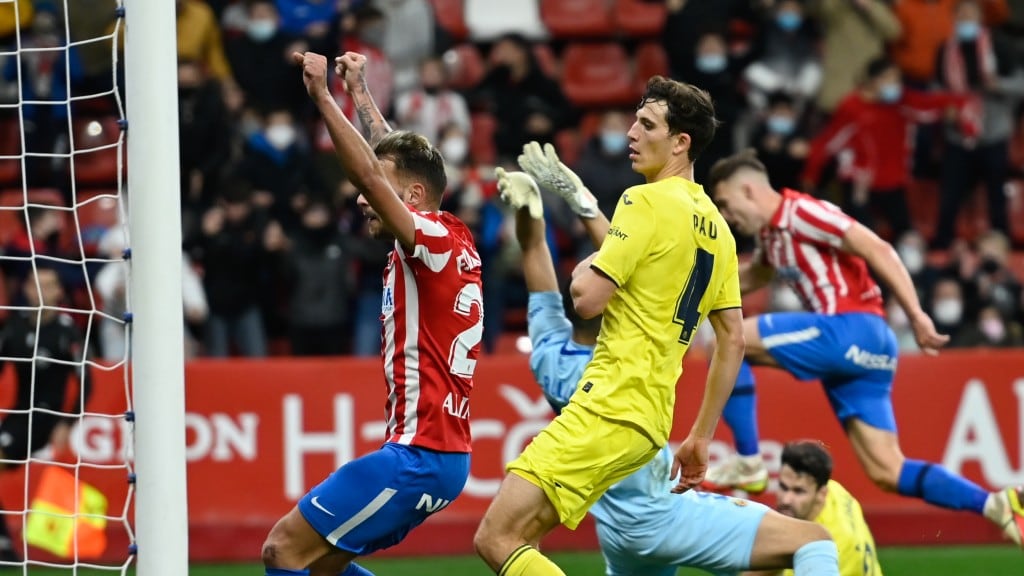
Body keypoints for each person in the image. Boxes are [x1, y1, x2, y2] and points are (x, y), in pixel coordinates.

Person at [495, 164, 839, 576]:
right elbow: (644, 270)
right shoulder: (639, 350)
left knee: (506, 540)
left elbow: (538, 263)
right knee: (812, 540)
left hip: (617, 531)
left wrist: (530, 211)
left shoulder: (549, 357)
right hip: (661, 513)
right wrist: (583, 203)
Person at [474, 76, 752, 576]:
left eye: (646, 124)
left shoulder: (642, 201)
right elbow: (732, 339)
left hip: (607, 404)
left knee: (497, 537)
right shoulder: (718, 230)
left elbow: (585, 300)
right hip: (651, 423)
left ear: (680, 142)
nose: (630, 133)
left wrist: (584, 268)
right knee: (524, 538)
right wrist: (702, 436)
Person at [703, 150, 1024, 548]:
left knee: (730, 340)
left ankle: (749, 459)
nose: (727, 215)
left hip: (851, 329)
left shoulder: (801, 212)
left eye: (725, 204)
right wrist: (699, 291)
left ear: (748, 190)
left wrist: (917, 313)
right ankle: (996, 504)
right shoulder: (772, 235)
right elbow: (755, 275)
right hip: (870, 350)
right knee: (887, 470)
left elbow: (877, 248)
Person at [261, 50, 483, 576]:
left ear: (411, 196)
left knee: (283, 551)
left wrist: (322, 97)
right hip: (434, 457)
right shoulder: (446, 234)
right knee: (320, 566)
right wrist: (359, 91)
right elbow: (391, 161)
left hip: (419, 456)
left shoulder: (425, 238)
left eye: (376, 192)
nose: (362, 200)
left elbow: (371, 172)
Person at [0, 265, 91, 561]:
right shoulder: (15, 327)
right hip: (18, 414)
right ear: (26, 290)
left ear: (59, 292)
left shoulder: (67, 330)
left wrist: (67, 422)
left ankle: (4, 543)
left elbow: (86, 380)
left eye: (49, 285)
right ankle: (5, 545)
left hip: (47, 417)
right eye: (36, 285)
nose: (42, 291)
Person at [743, 441, 882, 576]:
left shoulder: (827, 549)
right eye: (783, 487)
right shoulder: (835, 490)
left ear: (821, 493)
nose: (786, 500)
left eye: (798, 491)